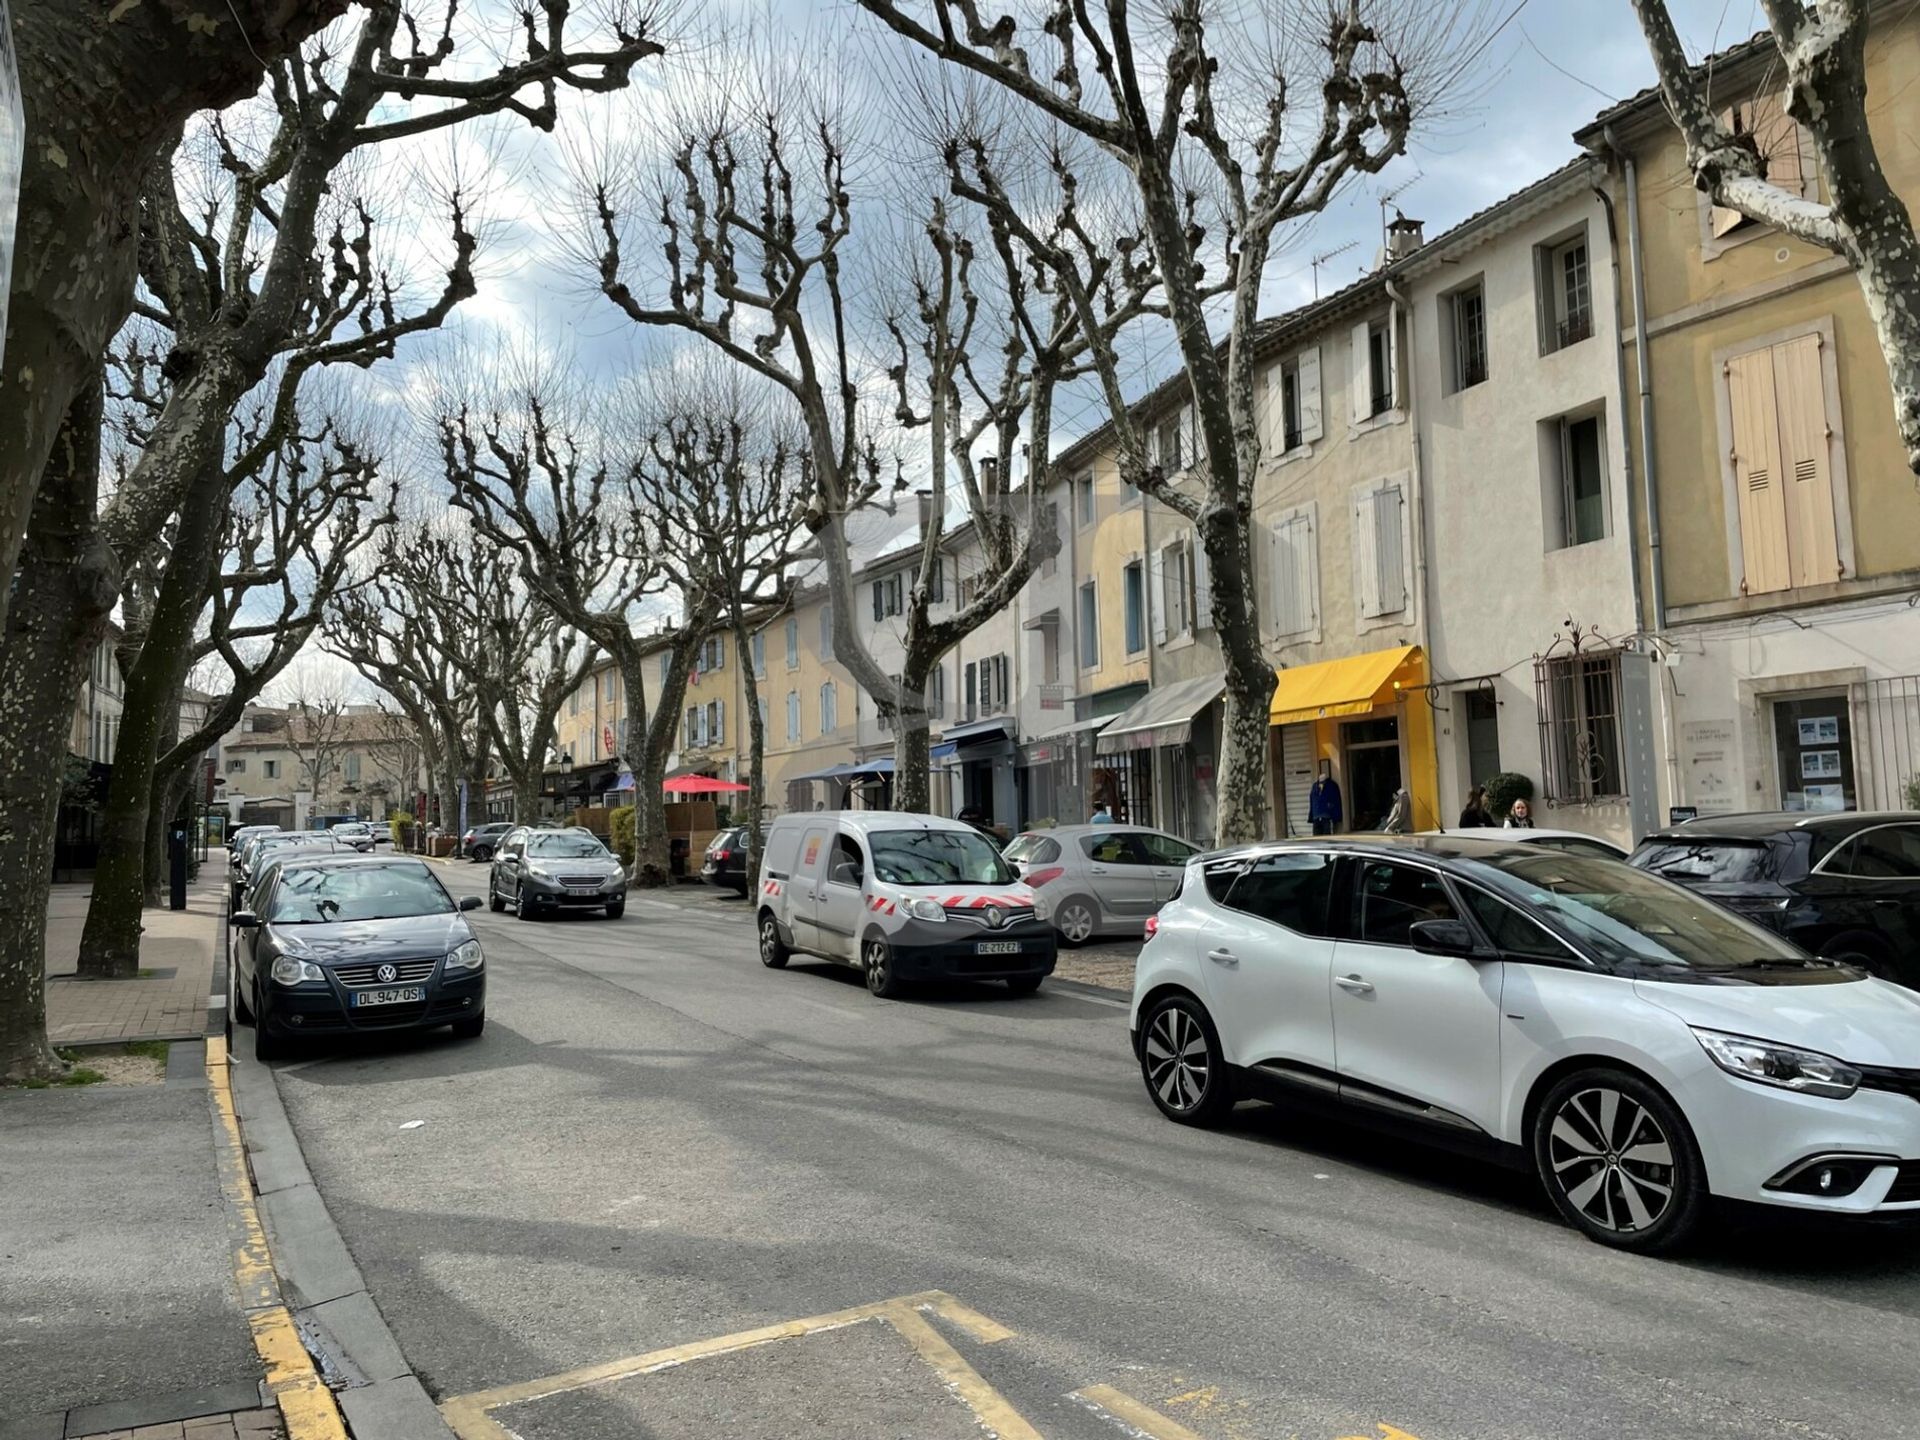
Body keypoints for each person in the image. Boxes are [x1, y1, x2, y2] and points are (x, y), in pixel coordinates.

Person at [1308, 764, 1342, 837]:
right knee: (1316, 838)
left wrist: (1336, 817)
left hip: (1327, 816)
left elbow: (1336, 801)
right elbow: (1312, 802)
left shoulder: (1331, 785)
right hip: (1316, 817)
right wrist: (1311, 816)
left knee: (1327, 837)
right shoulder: (1315, 786)